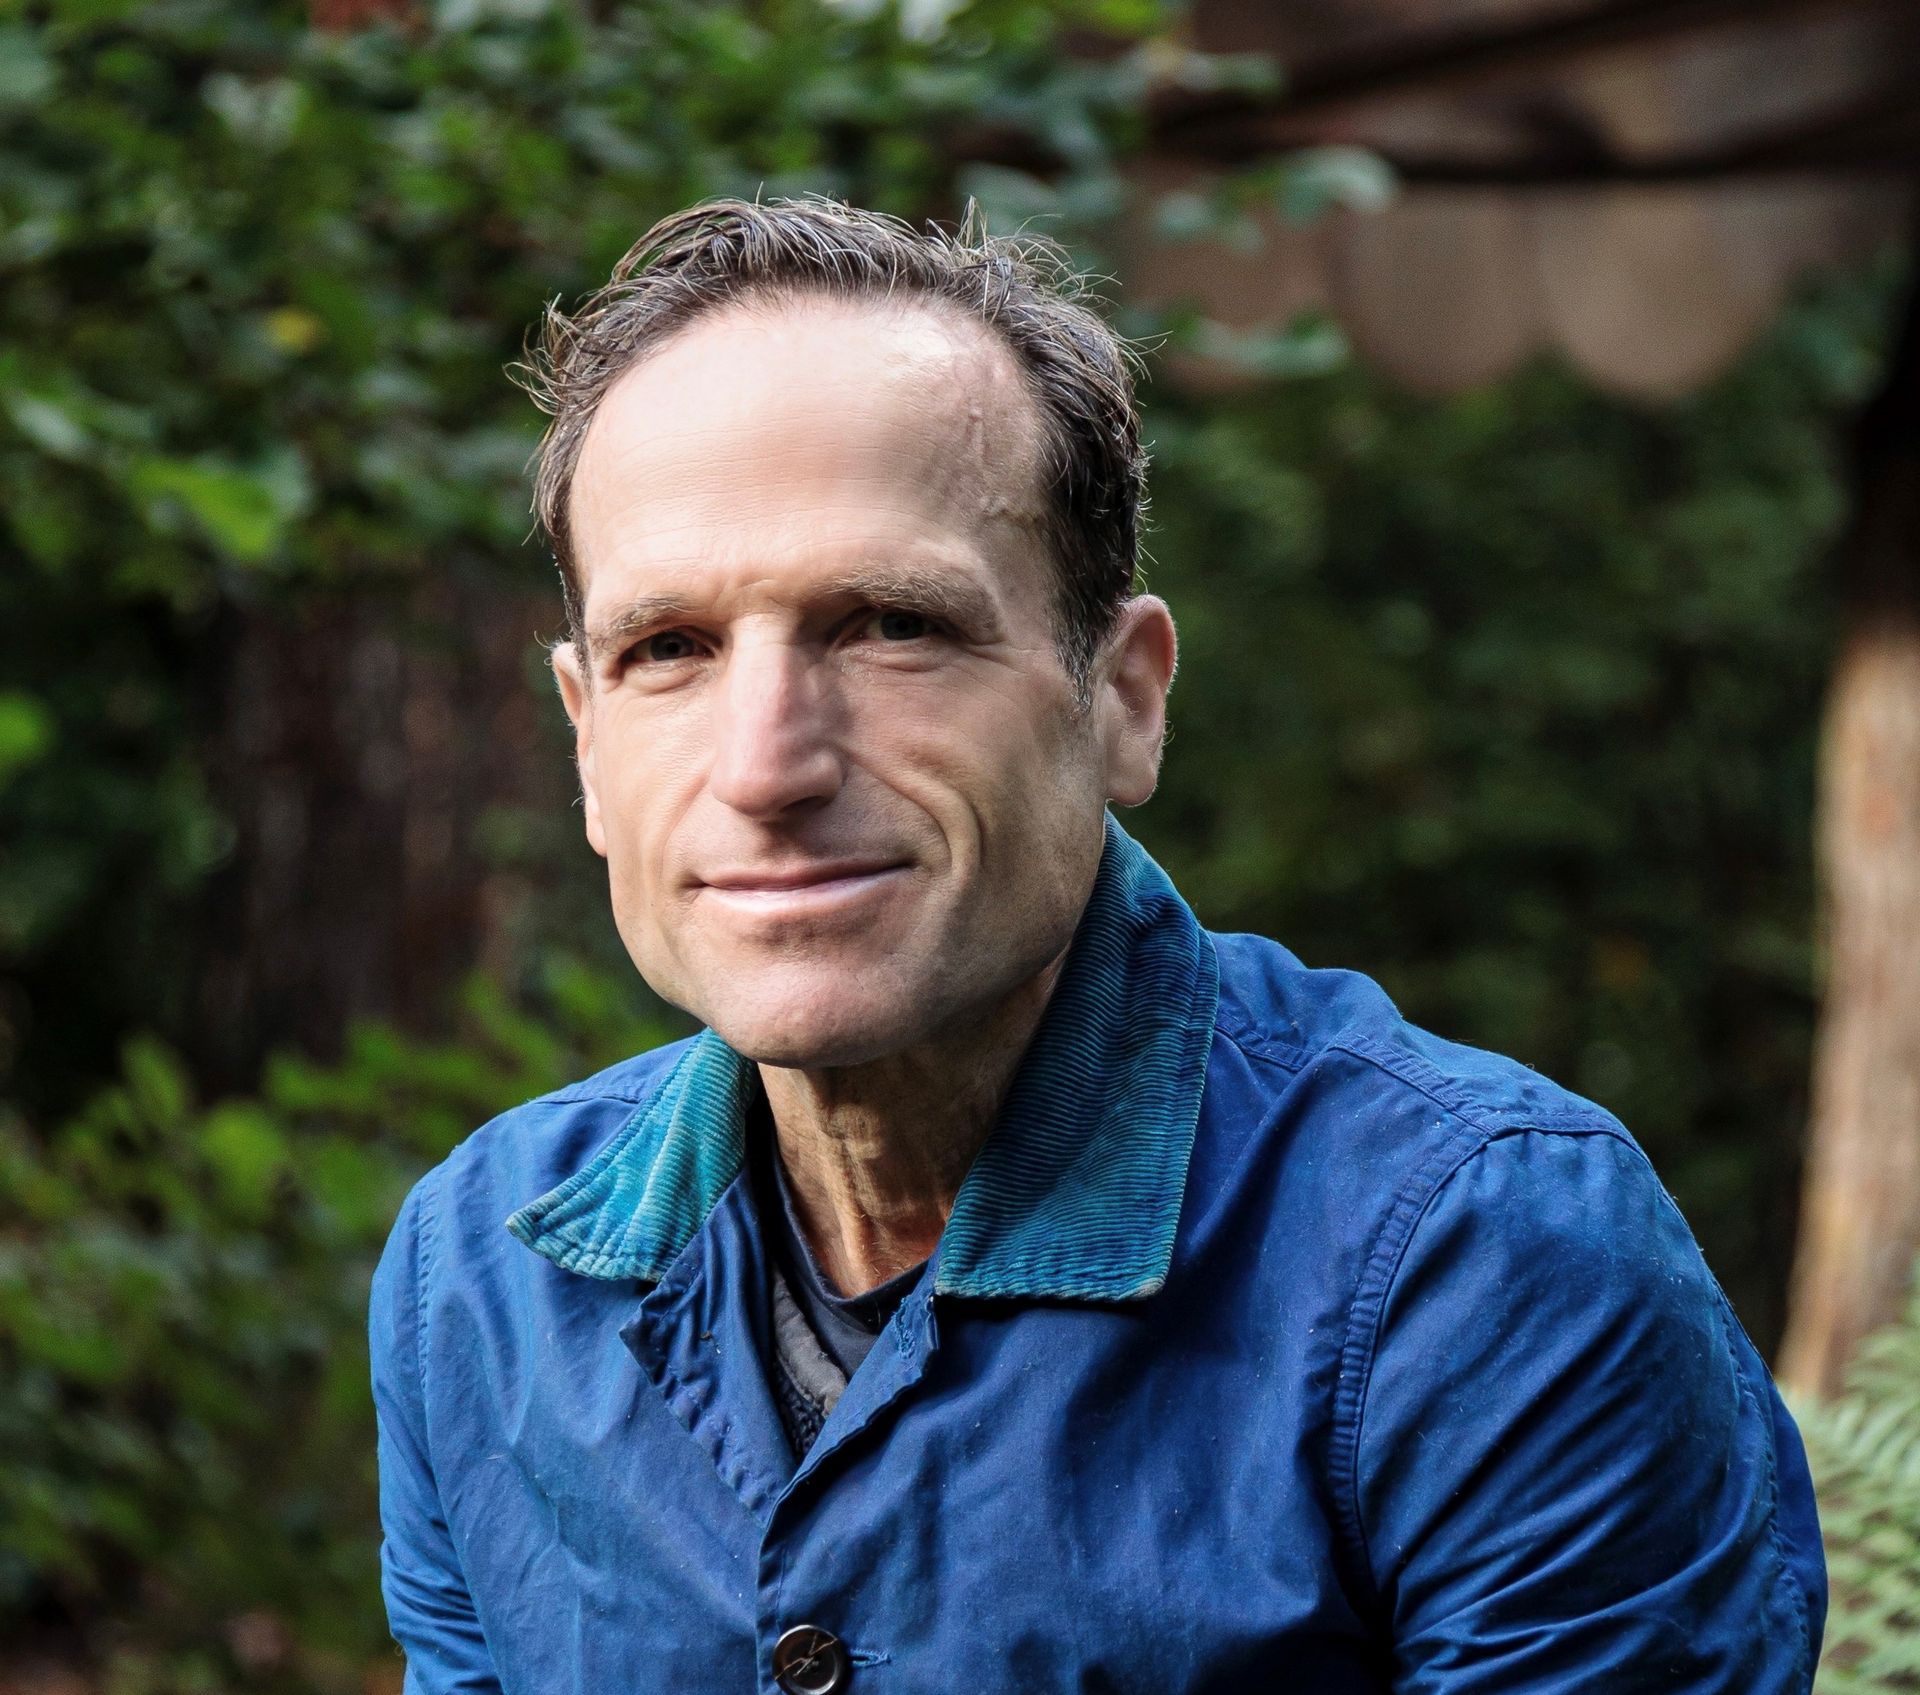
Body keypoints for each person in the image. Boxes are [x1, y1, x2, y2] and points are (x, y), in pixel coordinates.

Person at [369, 196, 1826, 1694]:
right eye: (667, 648)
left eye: (889, 625)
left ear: (1122, 698)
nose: (764, 765)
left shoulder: (1485, 1264)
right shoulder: (477, 1278)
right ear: (586, 743)